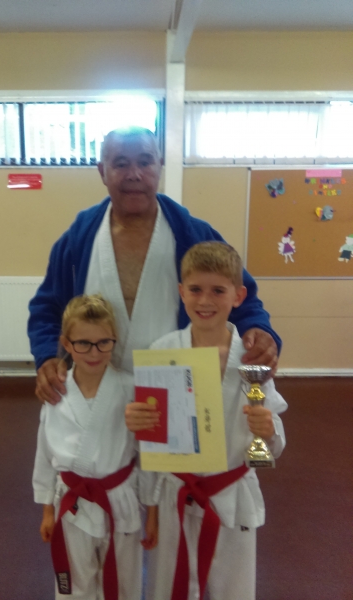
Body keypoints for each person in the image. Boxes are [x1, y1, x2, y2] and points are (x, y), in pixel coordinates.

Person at [28, 126, 281, 404]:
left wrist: (258, 329)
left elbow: (241, 296)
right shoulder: (79, 240)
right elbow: (47, 308)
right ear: (102, 171)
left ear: (159, 166)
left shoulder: (194, 235)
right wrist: (48, 356)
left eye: (145, 162)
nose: (134, 174)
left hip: (177, 385)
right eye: (121, 164)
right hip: (97, 385)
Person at [125, 241, 287, 600]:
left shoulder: (252, 358)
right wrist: (150, 504)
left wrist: (269, 431)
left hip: (231, 493)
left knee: (233, 589)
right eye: (195, 289)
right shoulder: (163, 352)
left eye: (218, 290)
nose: (205, 300)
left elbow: (271, 444)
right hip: (174, 493)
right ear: (181, 292)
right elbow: (153, 441)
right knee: (168, 586)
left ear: (238, 295)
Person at [32, 294, 158, 600]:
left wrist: (152, 511)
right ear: (66, 343)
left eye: (104, 342)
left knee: (124, 580)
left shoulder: (130, 388)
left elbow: (146, 454)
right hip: (72, 502)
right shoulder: (56, 392)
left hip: (120, 500)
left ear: (115, 340)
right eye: (83, 343)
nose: (94, 352)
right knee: (76, 583)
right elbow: (45, 455)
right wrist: (47, 510)